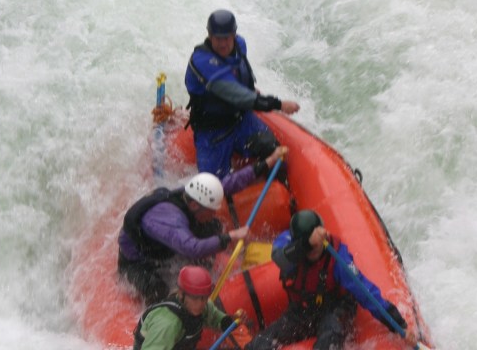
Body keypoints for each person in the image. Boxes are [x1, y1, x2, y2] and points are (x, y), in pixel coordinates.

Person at [118, 149, 285, 306]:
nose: (214, 213)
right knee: (158, 291)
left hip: (167, 244)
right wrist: (231, 237)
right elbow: (192, 248)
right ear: (195, 205)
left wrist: (267, 162)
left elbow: (228, 184)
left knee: (213, 227)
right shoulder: (170, 220)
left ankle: (206, 266)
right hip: (137, 262)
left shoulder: (192, 195)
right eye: (211, 210)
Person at [245, 210, 418, 350]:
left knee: (329, 337)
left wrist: (398, 324)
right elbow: (279, 257)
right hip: (303, 310)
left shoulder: (338, 259)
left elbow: (366, 292)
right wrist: (306, 244)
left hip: (334, 308)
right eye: (313, 248)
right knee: (262, 341)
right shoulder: (289, 244)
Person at [185, 9, 300, 179]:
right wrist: (279, 105)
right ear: (209, 35)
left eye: (227, 37)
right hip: (213, 132)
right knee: (213, 187)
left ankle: (275, 190)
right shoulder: (202, 61)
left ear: (234, 35)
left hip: (241, 120)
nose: (223, 43)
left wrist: (250, 88)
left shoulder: (240, 45)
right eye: (218, 38)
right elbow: (238, 95)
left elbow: (241, 76)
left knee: (274, 154)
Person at [133, 265, 245, 350]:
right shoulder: (167, 324)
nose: (201, 304)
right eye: (195, 299)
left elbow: (216, 319)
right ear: (181, 294)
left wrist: (230, 321)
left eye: (204, 298)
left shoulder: (203, 306)